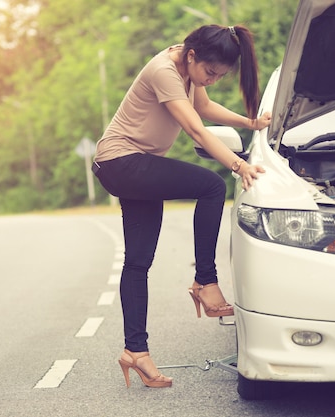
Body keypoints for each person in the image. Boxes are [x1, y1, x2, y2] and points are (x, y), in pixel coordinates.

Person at [92, 24, 271, 388]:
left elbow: (204, 107)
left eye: (220, 76)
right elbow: (196, 129)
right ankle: (205, 280)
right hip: (121, 161)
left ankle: (135, 353)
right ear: (192, 57)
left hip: (135, 165)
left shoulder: (189, 66)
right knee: (211, 185)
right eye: (210, 72)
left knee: (138, 261)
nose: (213, 80)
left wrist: (249, 123)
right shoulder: (164, 71)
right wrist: (239, 165)